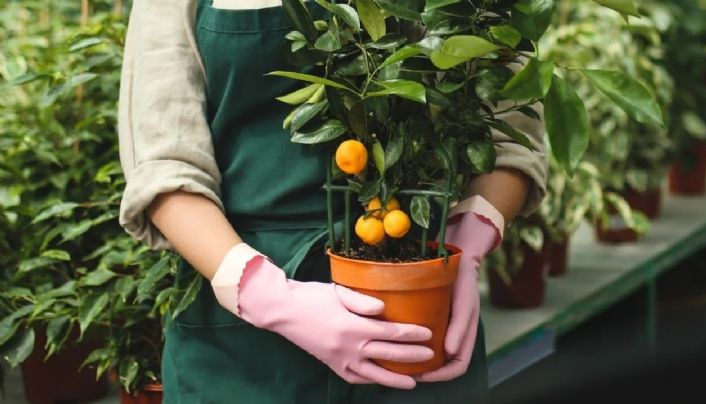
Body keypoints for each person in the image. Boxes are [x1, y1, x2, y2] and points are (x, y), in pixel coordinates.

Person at [118, 0, 548, 402]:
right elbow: (165, 164)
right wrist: (269, 297)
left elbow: (510, 128)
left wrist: (469, 242)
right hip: (241, 343)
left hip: (416, 309)